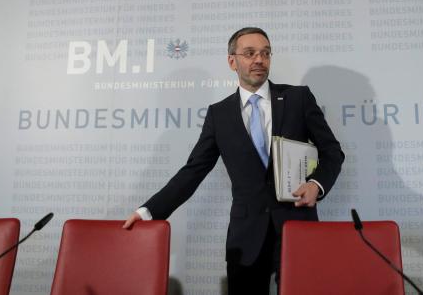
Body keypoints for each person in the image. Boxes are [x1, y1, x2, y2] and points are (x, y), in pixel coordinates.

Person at [123, 27, 344, 294]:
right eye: (250, 53)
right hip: (246, 236)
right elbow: (192, 172)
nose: (259, 60)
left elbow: (332, 152)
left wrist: (316, 184)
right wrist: (148, 212)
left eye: (265, 53)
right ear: (232, 61)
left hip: (298, 227)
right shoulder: (219, 115)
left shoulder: (298, 98)